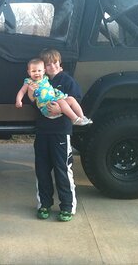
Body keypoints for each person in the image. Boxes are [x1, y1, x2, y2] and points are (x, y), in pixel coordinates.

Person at [28, 48, 86, 222]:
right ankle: (44, 205)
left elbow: (75, 100)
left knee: (62, 170)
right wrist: (31, 93)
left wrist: (60, 108)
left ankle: (67, 206)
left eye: (54, 62)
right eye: (47, 64)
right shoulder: (38, 82)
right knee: (42, 169)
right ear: (43, 67)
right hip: (43, 132)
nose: (51, 66)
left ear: (59, 63)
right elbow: (35, 103)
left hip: (60, 133)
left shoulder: (67, 81)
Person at [15, 58, 92, 125]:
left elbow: (54, 72)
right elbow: (22, 91)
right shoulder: (29, 82)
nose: (37, 73)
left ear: (44, 71)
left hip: (54, 100)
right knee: (62, 102)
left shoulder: (45, 77)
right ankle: (75, 119)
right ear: (29, 72)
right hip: (46, 106)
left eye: (39, 70)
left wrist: (59, 69)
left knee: (71, 99)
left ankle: (82, 117)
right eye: (33, 71)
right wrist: (18, 100)